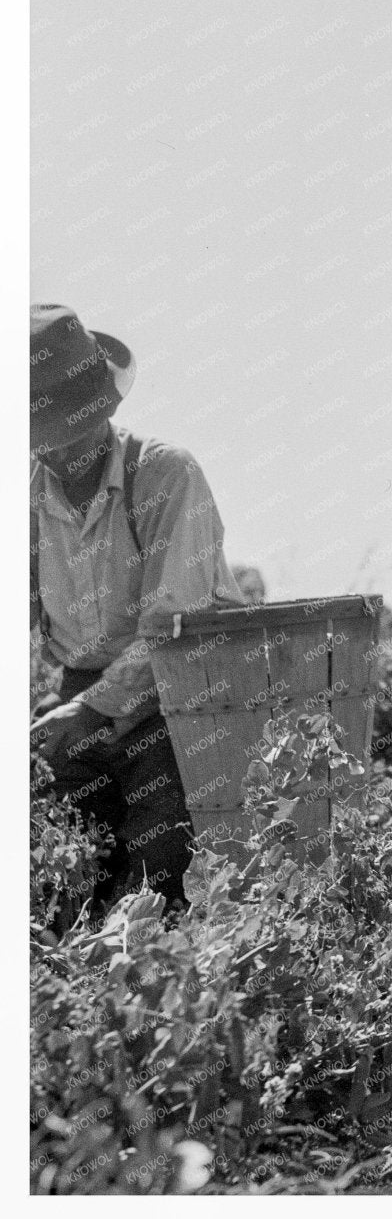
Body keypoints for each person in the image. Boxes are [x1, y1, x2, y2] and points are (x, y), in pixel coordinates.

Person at [29, 304, 246, 915]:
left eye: (73, 433)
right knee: (61, 869)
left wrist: (90, 710)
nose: (59, 455)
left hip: (180, 693)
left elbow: (174, 626)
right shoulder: (24, 498)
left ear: (104, 412)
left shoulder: (165, 475)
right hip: (78, 693)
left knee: (162, 867)